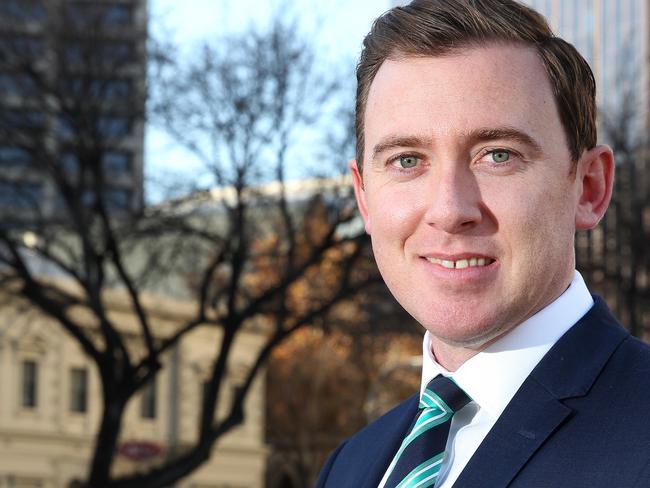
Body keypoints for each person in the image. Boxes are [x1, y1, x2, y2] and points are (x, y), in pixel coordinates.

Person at [315, 0, 650, 487]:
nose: (450, 210)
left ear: (589, 187)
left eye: (498, 155)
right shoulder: (349, 466)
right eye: (407, 161)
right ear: (364, 197)